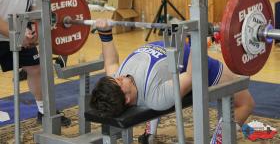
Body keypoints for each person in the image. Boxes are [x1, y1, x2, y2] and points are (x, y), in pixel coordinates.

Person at [90, 20, 255, 143]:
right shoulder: (156, 97)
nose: (119, 77)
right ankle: (218, 140)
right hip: (190, 62)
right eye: (119, 82)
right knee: (245, 103)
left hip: (170, 54)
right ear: (126, 98)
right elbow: (192, 75)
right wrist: (201, 39)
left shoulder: (115, 80)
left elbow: (111, 63)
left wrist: (105, 33)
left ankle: (149, 134)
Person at [0, 0, 71, 126]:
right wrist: (17, 35)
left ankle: (45, 111)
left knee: (36, 68)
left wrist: (33, 30)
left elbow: (34, 7)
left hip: (18, 29)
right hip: (10, 30)